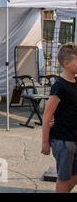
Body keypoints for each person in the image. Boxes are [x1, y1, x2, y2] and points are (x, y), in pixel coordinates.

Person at [42, 43, 77, 193]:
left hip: (74, 137)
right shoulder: (59, 85)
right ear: (66, 63)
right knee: (64, 177)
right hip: (63, 140)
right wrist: (45, 142)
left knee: (72, 175)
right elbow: (47, 115)